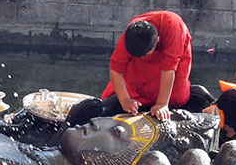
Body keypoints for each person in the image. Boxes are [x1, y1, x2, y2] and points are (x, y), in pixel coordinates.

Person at [68, 10, 212, 126]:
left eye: (145, 55)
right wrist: (125, 100)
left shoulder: (173, 27)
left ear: (157, 41)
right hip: (140, 66)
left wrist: (162, 104)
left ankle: (161, 102)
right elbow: (116, 69)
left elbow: (169, 70)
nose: (143, 58)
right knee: (131, 91)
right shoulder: (131, 34)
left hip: (173, 61)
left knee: (177, 96)